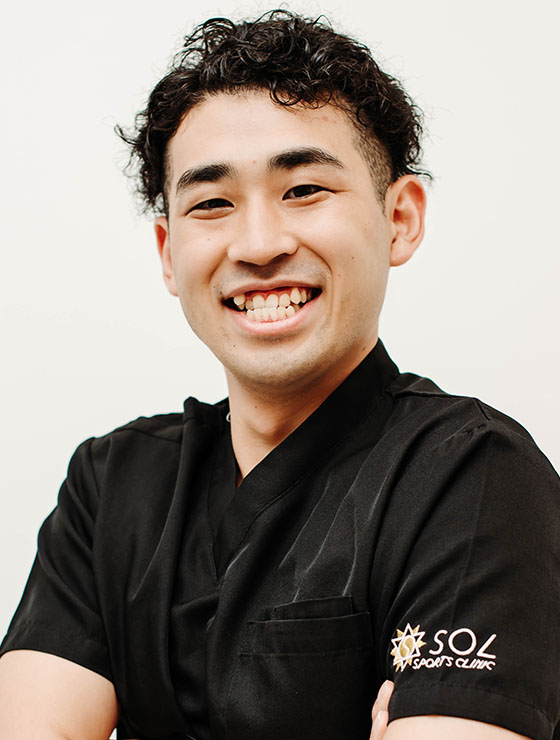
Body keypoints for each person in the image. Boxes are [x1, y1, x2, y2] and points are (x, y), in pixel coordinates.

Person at [0, 9, 558, 740]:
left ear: (400, 218)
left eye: (304, 190)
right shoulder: (112, 488)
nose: (259, 244)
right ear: (168, 251)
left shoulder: (472, 477)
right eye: (212, 203)